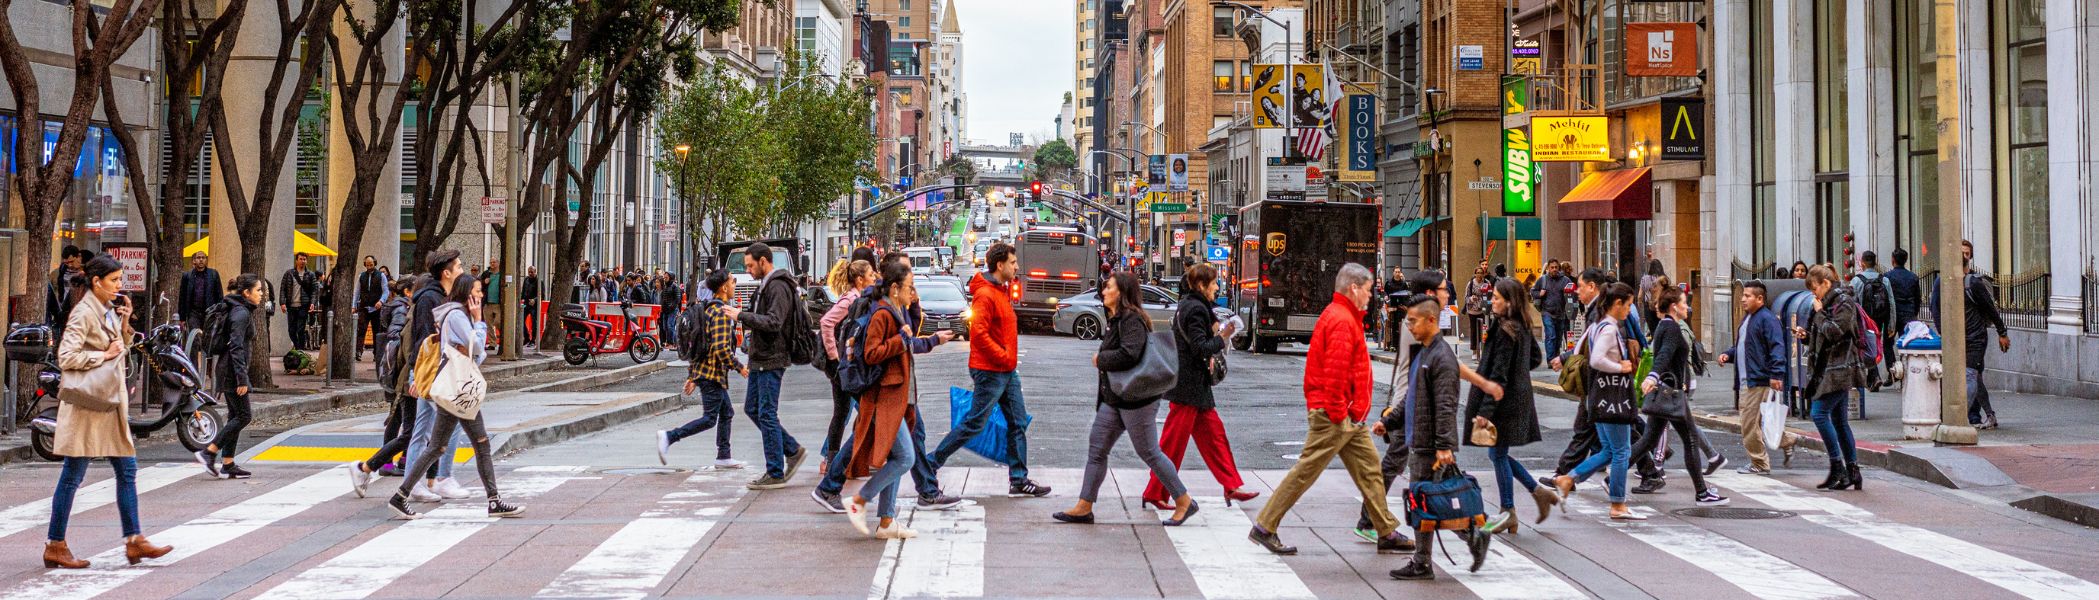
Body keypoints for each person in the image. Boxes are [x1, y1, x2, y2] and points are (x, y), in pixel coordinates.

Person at [1250, 264, 1413, 556]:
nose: (1370, 296)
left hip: (1345, 415)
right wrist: (1341, 413)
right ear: (1354, 288)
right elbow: (1336, 373)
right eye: (1366, 290)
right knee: (1306, 471)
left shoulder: (1341, 316)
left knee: (1371, 471)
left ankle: (1386, 529)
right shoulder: (1342, 320)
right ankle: (1264, 525)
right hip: (1336, 414)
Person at [43, 255, 173, 569]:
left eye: (119, 279)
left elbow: (120, 347)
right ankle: (55, 544)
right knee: (73, 475)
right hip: (89, 408)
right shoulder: (84, 312)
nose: (119, 285)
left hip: (109, 408)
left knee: (127, 471)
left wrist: (125, 324)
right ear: (97, 282)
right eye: (114, 280)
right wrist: (104, 353)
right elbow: (67, 356)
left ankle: (134, 540)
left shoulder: (104, 309)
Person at [1054, 271, 1199, 526]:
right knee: (1097, 448)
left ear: (1120, 292)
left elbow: (1130, 354)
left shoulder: (1131, 320)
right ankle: (1084, 505)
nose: (1104, 291)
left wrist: (1101, 360)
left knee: (1150, 452)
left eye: (1108, 287)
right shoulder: (1117, 319)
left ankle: (1184, 500)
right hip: (1116, 398)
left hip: (1136, 399)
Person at [384, 274, 523, 519]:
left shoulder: (454, 314)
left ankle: (401, 496)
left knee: (439, 446)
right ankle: (494, 501)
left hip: (457, 388)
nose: (480, 296)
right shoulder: (458, 316)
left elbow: (474, 354)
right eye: (478, 291)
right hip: (459, 388)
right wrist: (480, 322)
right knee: (479, 444)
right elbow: (478, 348)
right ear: (466, 293)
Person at [841, 265, 957, 539]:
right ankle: (859, 500)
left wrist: (929, 340)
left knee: (897, 457)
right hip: (885, 398)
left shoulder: (895, 311)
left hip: (897, 397)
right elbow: (871, 353)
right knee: (906, 456)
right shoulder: (882, 314)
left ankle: (886, 522)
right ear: (895, 288)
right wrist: (901, 338)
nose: (913, 292)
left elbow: (908, 340)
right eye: (909, 287)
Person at [927, 242, 1051, 497]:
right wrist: (1002, 355)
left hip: (1005, 370)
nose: (1017, 267)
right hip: (991, 370)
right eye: (1013, 263)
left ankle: (1019, 479)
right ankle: (931, 463)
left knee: (1017, 421)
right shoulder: (986, 294)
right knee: (974, 423)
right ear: (1000, 265)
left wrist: (1007, 360)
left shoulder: (1000, 290)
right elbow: (979, 333)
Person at [1388, 297, 1493, 580]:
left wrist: (1444, 446)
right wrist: (1390, 420)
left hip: (1431, 445)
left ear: (1431, 320)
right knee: (1431, 501)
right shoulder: (1423, 352)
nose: (1409, 325)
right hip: (1421, 439)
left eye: (1413, 320)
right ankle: (1471, 537)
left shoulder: (1441, 357)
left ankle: (1424, 561)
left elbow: (1446, 404)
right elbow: (1412, 395)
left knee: (1423, 501)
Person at [1141, 263, 1255, 509]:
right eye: (1213, 283)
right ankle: (1154, 491)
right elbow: (1200, 347)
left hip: (1193, 386)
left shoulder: (1192, 305)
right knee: (1174, 443)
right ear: (1202, 285)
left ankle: (1232, 486)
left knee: (1215, 438)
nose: (1216, 287)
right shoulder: (1195, 309)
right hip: (1188, 387)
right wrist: (1224, 337)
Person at [1544, 282, 1644, 520]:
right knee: (1621, 451)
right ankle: (1618, 504)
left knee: (1610, 450)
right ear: (1617, 304)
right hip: (1612, 398)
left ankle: (1568, 478)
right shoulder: (1609, 329)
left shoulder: (1598, 325)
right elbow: (1597, 360)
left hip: (1598, 397)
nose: (1630, 310)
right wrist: (1620, 367)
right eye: (1628, 305)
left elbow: (1585, 352)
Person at [1465, 278, 1556, 534]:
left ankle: (1509, 510)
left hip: (1504, 400)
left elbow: (1498, 375)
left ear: (1509, 301)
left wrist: (1484, 413)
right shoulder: (1521, 325)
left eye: (1495, 297)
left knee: (1497, 454)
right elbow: (1535, 358)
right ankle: (1538, 493)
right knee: (1498, 454)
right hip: (1516, 397)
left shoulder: (1505, 330)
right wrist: (1519, 374)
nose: (1491, 301)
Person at [1630, 287, 1730, 507]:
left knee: (1648, 439)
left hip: (1667, 392)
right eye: (1684, 303)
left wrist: (1657, 377)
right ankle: (1702, 493)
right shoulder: (1672, 328)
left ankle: (1613, 477)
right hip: (1672, 393)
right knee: (1690, 440)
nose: (1688, 307)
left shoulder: (1664, 326)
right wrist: (1654, 376)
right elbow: (1664, 355)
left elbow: (1666, 356)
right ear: (1674, 306)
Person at [722, 242, 809, 490]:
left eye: (750, 265)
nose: (748, 270)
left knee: (766, 413)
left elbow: (773, 322)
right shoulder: (766, 285)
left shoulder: (778, 285)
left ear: (763, 261)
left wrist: (741, 315)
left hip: (772, 357)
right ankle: (791, 450)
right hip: (761, 357)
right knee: (753, 408)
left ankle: (775, 471)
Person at [656, 270, 746, 469]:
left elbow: (699, 346)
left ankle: (724, 456)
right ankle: (670, 437)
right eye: (733, 281)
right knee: (709, 419)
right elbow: (721, 348)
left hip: (707, 373)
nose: (734, 285)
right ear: (723, 287)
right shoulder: (721, 313)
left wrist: (692, 376)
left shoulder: (706, 309)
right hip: (712, 375)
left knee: (727, 412)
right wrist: (741, 368)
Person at [402, 250, 470, 502]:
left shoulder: (441, 296)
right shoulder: (430, 299)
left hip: (437, 371)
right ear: (447, 273)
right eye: (459, 267)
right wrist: (417, 378)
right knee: (434, 429)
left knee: (432, 428)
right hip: (430, 372)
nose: (462, 271)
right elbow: (423, 341)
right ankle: (436, 479)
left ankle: (424, 481)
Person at [1716, 280, 1799, 474]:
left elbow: (1777, 347)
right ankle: (1787, 439)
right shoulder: (1748, 319)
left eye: (1748, 296)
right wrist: (1729, 354)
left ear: (1760, 299)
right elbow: (1745, 346)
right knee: (1764, 421)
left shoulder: (1766, 319)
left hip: (1758, 380)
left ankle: (1759, 463)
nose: (1743, 299)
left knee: (1748, 423)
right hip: (1750, 378)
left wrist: (1777, 374)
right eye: (1743, 295)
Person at [1799, 264, 1866, 491]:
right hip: (1827, 367)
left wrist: (1818, 314)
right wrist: (1805, 335)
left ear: (1826, 284)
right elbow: (1820, 335)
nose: (1813, 293)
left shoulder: (1844, 302)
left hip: (1840, 368)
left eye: (1815, 288)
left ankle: (1838, 466)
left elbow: (1836, 331)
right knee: (1839, 421)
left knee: (1819, 414)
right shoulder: (1825, 303)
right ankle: (1852, 471)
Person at [1931, 240, 2010, 429]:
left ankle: (1956, 419)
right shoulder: (1943, 281)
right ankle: (1989, 415)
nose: (1964, 256)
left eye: (1966, 253)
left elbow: (1991, 310)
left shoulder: (1973, 283)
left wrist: (2002, 332)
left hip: (1975, 338)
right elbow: (1936, 308)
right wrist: (1944, 333)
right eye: (1962, 254)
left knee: (1970, 375)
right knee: (1974, 376)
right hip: (1954, 339)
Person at [193, 274, 265, 479]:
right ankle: (209, 452)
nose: (261, 294)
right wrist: (242, 379)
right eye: (258, 290)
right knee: (244, 416)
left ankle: (228, 463)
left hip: (229, 370)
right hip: (231, 372)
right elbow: (235, 347)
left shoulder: (240, 310)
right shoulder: (241, 313)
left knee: (235, 416)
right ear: (246, 293)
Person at [280, 253, 320, 350]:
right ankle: (298, 348)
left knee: (300, 330)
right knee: (291, 331)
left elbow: (314, 290)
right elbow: (283, 289)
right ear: (296, 260)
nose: (303, 261)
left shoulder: (310, 275)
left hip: (303, 306)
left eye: (304, 259)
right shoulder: (289, 273)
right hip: (291, 306)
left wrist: (312, 303)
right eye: (301, 259)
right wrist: (282, 303)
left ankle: (300, 350)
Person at [1532, 261, 1573, 357]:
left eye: (1556, 267)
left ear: (1559, 268)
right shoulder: (1542, 280)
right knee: (1551, 335)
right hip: (1547, 312)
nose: (1554, 269)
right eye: (1552, 267)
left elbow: (1573, 292)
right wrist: (1539, 294)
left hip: (1561, 313)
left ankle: (1556, 354)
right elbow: (1533, 291)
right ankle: (1550, 359)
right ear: (1548, 269)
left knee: (1558, 337)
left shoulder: (1565, 280)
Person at [351, 256, 388, 361]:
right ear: (365, 265)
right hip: (364, 307)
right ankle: (358, 351)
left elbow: (386, 291)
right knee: (361, 330)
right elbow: (357, 292)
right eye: (367, 265)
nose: (369, 267)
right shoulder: (361, 276)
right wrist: (354, 306)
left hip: (376, 308)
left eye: (371, 265)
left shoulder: (381, 276)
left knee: (377, 331)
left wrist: (381, 301)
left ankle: (376, 353)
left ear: (375, 263)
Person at [1885, 249, 1923, 346]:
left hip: (1892, 314)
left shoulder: (1887, 277)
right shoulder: (1913, 277)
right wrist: (1915, 313)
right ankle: (1905, 360)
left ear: (1893, 260)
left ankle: (1891, 361)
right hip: (1908, 313)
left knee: (1888, 343)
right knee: (1908, 342)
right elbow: (1917, 298)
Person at [177, 252, 223, 326]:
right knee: (194, 335)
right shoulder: (187, 276)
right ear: (194, 260)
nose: (201, 260)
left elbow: (219, 295)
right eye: (198, 258)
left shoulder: (213, 274)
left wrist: (219, 313)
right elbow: (182, 297)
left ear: (206, 260)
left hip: (210, 313)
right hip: (193, 313)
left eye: (203, 258)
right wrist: (182, 318)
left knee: (208, 336)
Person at [46, 245, 85, 329]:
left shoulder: (84, 274)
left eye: (71, 262)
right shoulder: (57, 273)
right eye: (66, 263)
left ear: (79, 257)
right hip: (63, 311)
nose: (69, 265)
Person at [1462, 266, 1492, 348]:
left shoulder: (1487, 283)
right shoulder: (1471, 283)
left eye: (1481, 273)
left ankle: (1483, 348)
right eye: (1478, 273)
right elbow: (1466, 298)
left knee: (1483, 330)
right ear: (1475, 274)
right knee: (1474, 331)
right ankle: (1474, 350)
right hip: (1472, 310)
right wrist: (1471, 299)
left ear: (1484, 274)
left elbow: (1490, 296)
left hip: (1483, 310)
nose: (1479, 275)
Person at [1382, 267, 1409, 351]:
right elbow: (1385, 292)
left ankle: (1400, 344)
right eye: (1396, 272)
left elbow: (1406, 294)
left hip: (1401, 307)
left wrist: (1405, 305)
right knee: (1392, 326)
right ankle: (1392, 344)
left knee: (1401, 325)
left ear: (1400, 273)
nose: (1397, 273)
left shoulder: (1404, 283)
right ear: (1393, 273)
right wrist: (1386, 297)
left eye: (1398, 272)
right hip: (1391, 307)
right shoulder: (1389, 283)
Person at [481, 259, 505, 347]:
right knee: (489, 324)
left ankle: (504, 338)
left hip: (498, 303)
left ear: (498, 263)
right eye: (490, 262)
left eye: (494, 262)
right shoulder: (486, 273)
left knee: (498, 322)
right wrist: (484, 282)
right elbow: (478, 284)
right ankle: (492, 343)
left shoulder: (502, 274)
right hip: (487, 302)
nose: (492, 264)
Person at [656, 272, 682, 349]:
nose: (665, 279)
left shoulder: (675, 286)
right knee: (665, 327)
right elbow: (663, 298)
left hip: (672, 310)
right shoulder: (665, 286)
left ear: (670, 277)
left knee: (670, 326)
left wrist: (672, 307)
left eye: (666, 277)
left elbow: (677, 299)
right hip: (665, 310)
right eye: (664, 277)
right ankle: (670, 342)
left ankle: (672, 343)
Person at [520, 266, 543, 345]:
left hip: (534, 305)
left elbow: (542, 294)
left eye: (532, 272)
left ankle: (533, 340)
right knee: (521, 320)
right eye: (529, 272)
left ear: (535, 272)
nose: (530, 273)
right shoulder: (526, 279)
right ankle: (526, 337)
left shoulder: (539, 281)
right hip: (526, 303)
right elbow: (523, 291)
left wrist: (535, 300)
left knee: (534, 322)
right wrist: (521, 299)